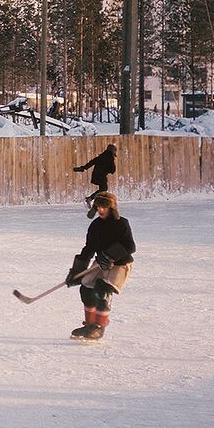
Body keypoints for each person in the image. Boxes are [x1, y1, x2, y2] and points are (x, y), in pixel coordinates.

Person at [64, 192, 135, 340]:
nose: (101, 210)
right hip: (100, 264)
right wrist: (77, 272)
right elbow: (89, 248)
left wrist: (110, 255)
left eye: (104, 207)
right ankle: (89, 325)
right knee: (86, 287)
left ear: (111, 208)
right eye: (98, 207)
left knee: (102, 289)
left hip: (120, 264)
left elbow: (130, 246)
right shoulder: (95, 226)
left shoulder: (122, 223)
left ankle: (99, 327)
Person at [74, 143, 117, 214]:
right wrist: (110, 169)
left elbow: (93, 161)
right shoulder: (110, 157)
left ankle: (93, 200)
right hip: (102, 176)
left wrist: (84, 168)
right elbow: (112, 170)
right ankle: (92, 200)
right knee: (103, 189)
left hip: (96, 175)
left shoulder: (102, 156)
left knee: (103, 189)